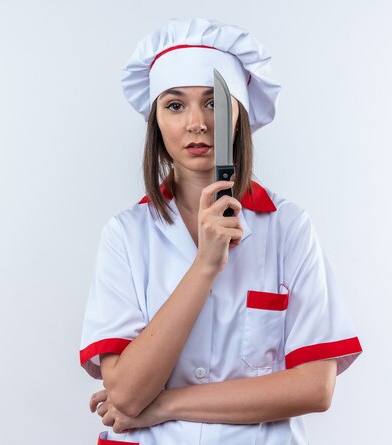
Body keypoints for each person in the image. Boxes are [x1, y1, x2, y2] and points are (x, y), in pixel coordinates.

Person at [79, 17, 363, 445]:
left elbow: (315, 388)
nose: (197, 123)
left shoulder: (288, 227)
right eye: (175, 105)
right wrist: (205, 266)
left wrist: (165, 405)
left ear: (239, 116)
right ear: (155, 121)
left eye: (214, 103)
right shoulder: (125, 234)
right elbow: (125, 392)